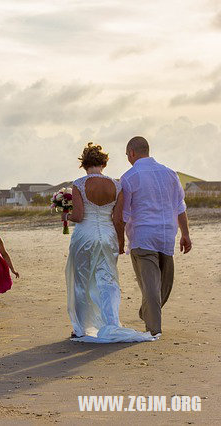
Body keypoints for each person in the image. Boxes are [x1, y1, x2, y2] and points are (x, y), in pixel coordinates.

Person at [66, 143, 155, 343]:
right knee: (108, 280)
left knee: (82, 280)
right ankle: (111, 321)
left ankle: (81, 328)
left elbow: (79, 216)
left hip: (85, 236)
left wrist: (66, 215)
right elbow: (118, 219)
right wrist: (121, 242)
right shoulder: (116, 185)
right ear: (104, 163)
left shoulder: (79, 184)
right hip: (107, 235)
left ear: (84, 164)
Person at [113, 136, 192, 336]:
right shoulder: (170, 173)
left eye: (126, 155)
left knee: (156, 286)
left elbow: (123, 214)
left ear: (132, 153)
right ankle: (154, 328)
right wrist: (185, 234)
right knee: (158, 285)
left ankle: (148, 314)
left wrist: (120, 240)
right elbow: (180, 208)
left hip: (144, 236)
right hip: (164, 235)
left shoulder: (129, 177)